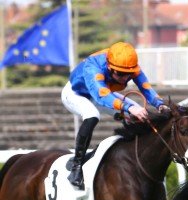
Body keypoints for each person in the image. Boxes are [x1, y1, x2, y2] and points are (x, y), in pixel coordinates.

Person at [61, 41, 169, 190]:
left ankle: (133, 161)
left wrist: (160, 104)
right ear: (109, 67)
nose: (125, 78)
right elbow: (102, 95)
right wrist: (128, 108)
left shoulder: (129, 67)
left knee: (137, 113)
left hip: (102, 92)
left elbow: (146, 88)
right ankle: (76, 166)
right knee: (92, 115)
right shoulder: (93, 68)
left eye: (128, 74)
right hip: (76, 94)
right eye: (120, 74)